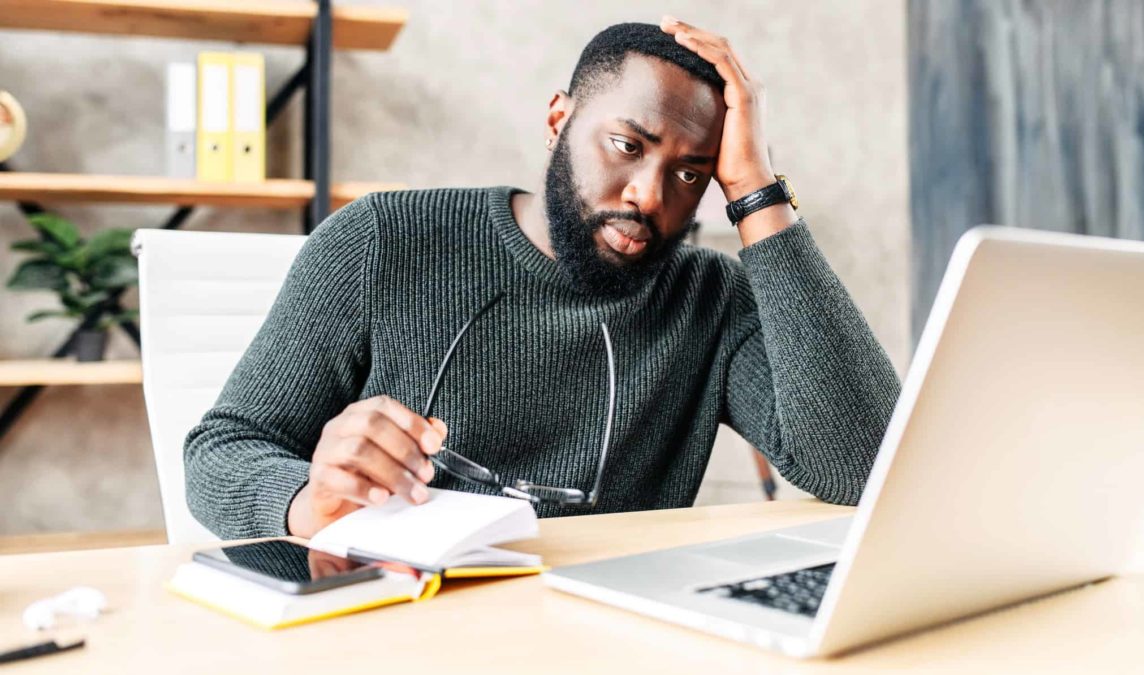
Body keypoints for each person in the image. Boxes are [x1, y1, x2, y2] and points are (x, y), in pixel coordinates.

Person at [184, 17, 902, 540]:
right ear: (559, 120)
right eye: (627, 145)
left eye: (691, 172)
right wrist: (313, 499)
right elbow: (221, 451)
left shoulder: (710, 298)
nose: (650, 195)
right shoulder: (384, 239)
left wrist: (756, 189)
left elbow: (866, 465)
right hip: (405, 624)